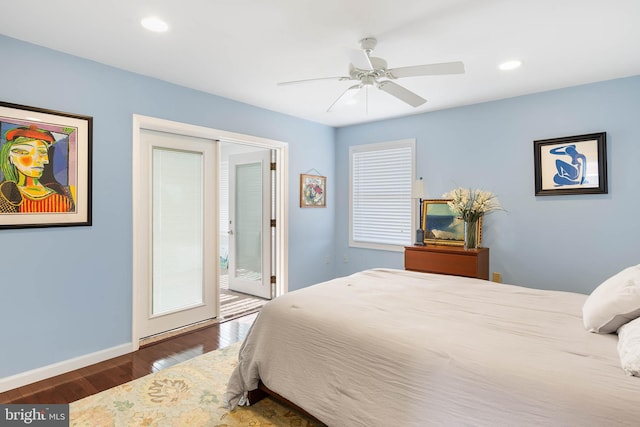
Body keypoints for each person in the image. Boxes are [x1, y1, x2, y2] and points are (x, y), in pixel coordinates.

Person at [0, 124, 74, 213]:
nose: (38, 159)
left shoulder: (63, 193)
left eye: (42, 152)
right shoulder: (5, 196)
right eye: (23, 152)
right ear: (10, 158)